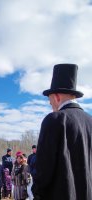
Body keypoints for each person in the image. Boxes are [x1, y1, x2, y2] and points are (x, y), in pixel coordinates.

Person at [32, 63, 92, 200]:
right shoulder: (90, 121)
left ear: (57, 97)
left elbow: (43, 171)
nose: (50, 103)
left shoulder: (54, 120)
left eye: (50, 99)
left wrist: (36, 193)